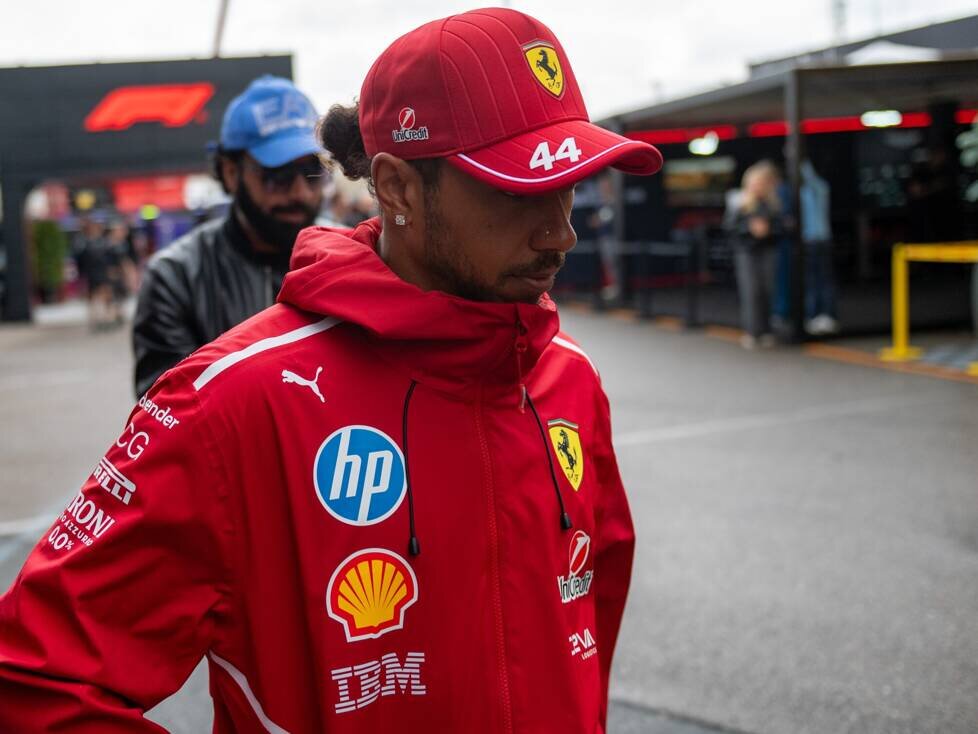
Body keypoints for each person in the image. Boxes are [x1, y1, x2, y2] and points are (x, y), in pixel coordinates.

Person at [0, 8, 662, 733]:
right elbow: (35, 677)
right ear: (398, 187)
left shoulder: (570, 379)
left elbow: (588, 621)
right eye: (518, 191)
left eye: (570, 184)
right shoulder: (230, 399)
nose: (562, 232)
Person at [132, 75, 326, 396]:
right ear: (231, 172)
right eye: (278, 175)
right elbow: (171, 410)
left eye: (313, 173)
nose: (300, 193)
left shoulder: (353, 256)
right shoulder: (175, 277)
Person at [725, 160, 785, 348]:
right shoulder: (740, 204)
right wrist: (749, 229)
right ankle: (752, 331)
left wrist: (768, 230)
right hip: (747, 252)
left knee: (767, 290)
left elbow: (782, 228)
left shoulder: (773, 204)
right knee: (751, 291)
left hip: (768, 250)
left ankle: (766, 330)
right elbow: (730, 228)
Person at [800, 160, 839, 335]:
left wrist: (802, 162)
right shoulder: (802, 191)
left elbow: (810, 177)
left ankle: (827, 315)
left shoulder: (820, 187)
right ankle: (813, 315)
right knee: (811, 280)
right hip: (808, 240)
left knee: (823, 279)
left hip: (821, 240)